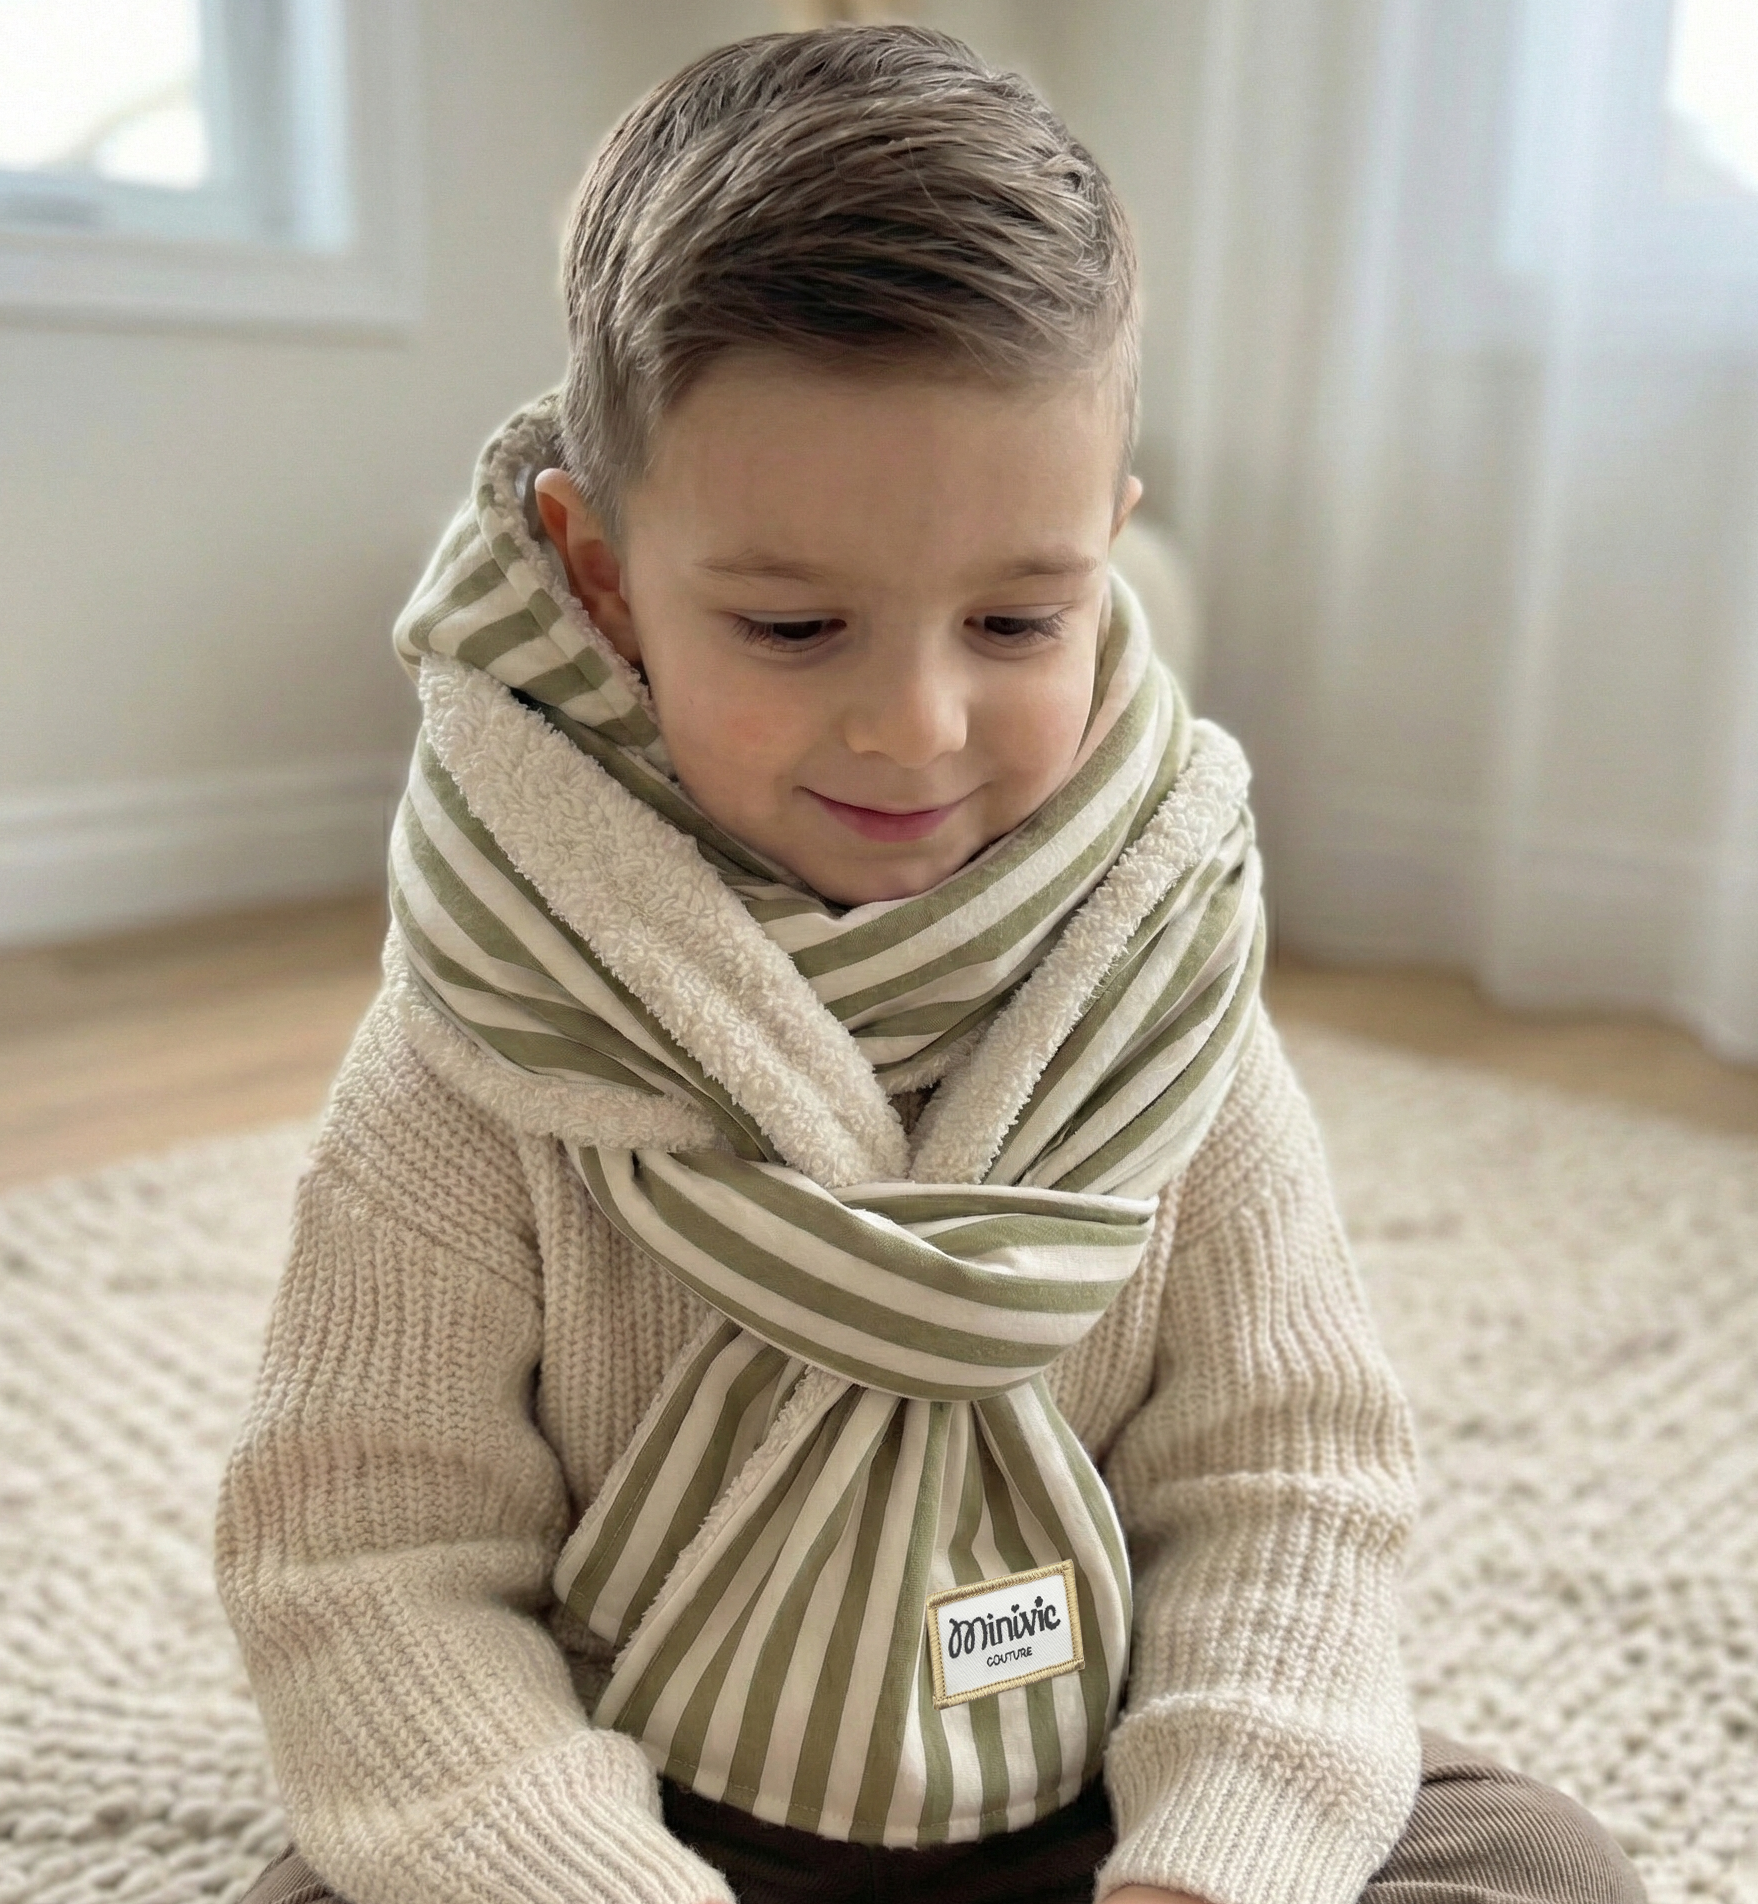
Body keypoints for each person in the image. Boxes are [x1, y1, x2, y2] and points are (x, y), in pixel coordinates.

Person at [217, 26, 1645, 1904]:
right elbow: (364, 1559)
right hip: (638, 1791)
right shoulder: (490, 1041)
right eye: (791, 626)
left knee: (1534, 1861)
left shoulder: (1155, 986)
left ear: (1108, 547)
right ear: (602, 573)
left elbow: (1283, 1481)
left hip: (1084, 1786)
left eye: (1016, 619)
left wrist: (1214, 1858)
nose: (915, 726)